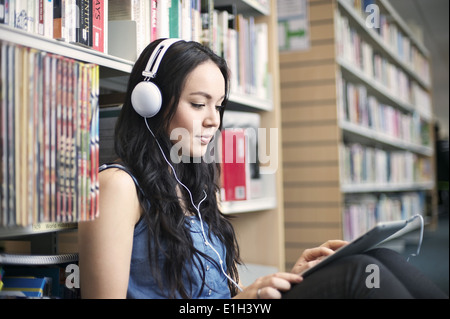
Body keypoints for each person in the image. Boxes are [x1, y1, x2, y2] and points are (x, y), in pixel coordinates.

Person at [78, 39, 447, 299]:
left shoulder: (191, 183)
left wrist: (282, 279)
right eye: (198, 103)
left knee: (376, 259)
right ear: (150, 103)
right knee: (357, 277)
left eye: (218, 106)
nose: (213, 121)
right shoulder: (117, 186)